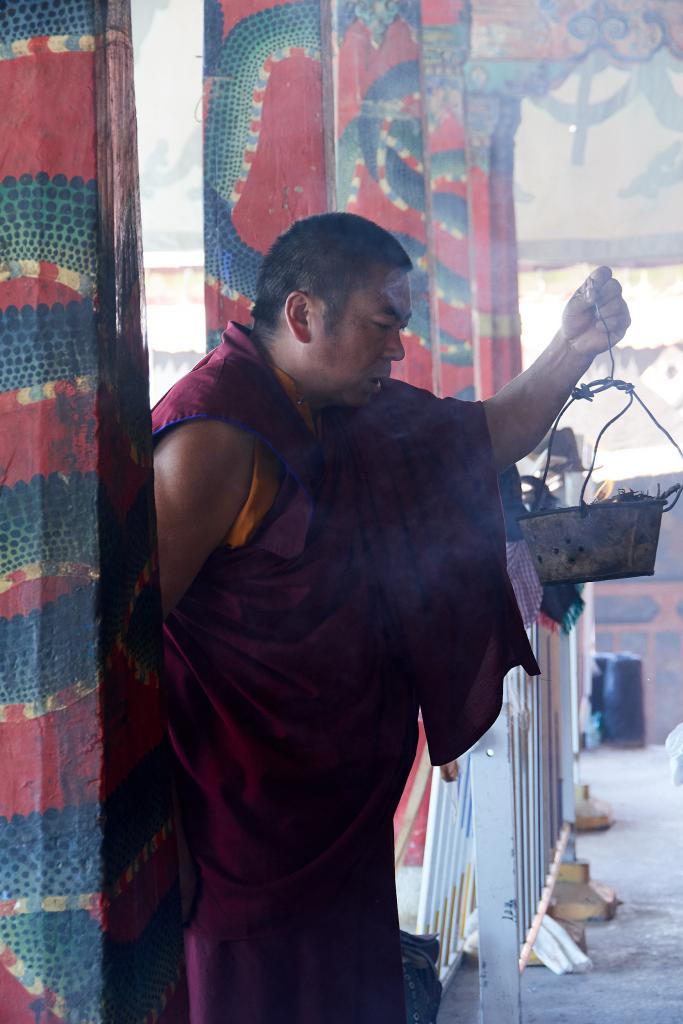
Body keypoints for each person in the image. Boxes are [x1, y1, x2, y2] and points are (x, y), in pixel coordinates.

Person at [151, 213, 630, 1023]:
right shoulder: (214, 437)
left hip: (337, 822)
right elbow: (117, 654)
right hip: (241, 832)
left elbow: (487, 433)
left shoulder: (348, 416)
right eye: (383, 325)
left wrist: (571, 348)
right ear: (304, 316)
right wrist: (158, 828)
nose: (397, 350)